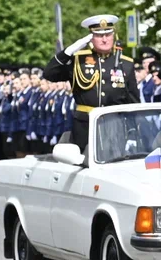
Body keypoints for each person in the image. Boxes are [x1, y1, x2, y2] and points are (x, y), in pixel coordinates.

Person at [42, 15, 139, 156]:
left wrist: (132, 133)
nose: (105, 39)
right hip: (84, 127)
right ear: (91, 38)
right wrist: (68, 52)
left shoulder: (126, 64)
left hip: (114, 128)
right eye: (99, 35)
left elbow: (133, 103)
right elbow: (49, 74)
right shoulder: (78, 61)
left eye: (108, 34)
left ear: (114, 35)